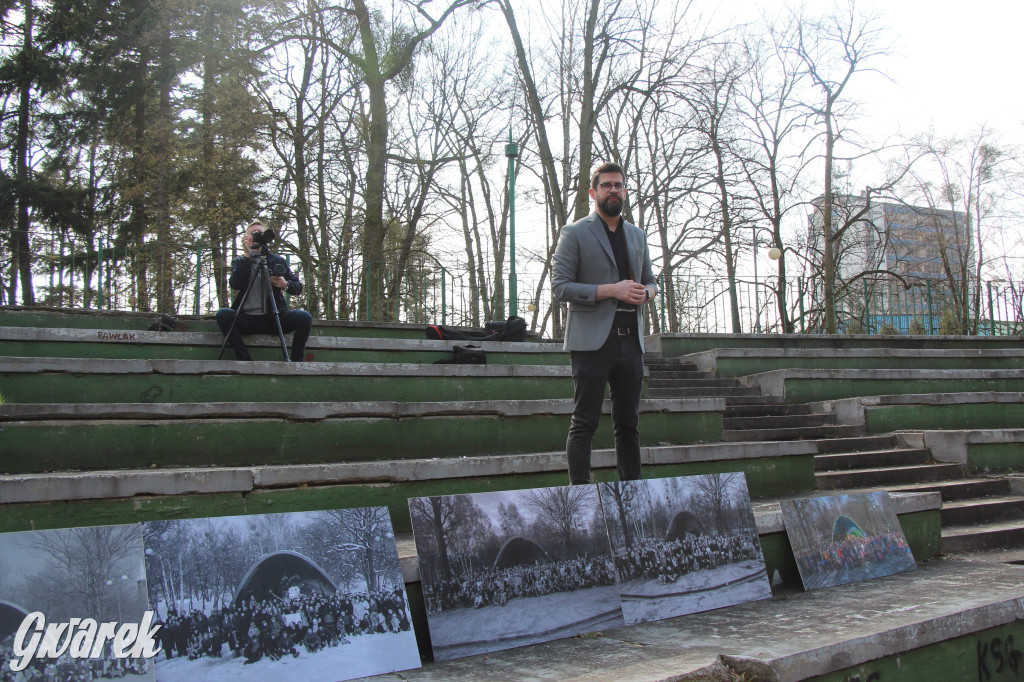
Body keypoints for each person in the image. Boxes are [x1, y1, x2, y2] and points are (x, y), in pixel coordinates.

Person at [552, 162, 657, 484]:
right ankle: (580, 498)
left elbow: (652, 281)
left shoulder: (637, 236)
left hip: (631, 342)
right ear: (593, 192)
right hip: (592, 343)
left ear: (625, 191)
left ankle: (633, 497)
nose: (613, 190)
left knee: (629, 425)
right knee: (584, 422)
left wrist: (647, 293)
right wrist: (612, 289)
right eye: (607, 185)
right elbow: (560, 287)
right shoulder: (575, 233)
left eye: (619, 185)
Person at [216, 221, 312, 362]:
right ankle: (245, 360)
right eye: (253, 233)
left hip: (274, 319)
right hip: (246, 318)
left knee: (304, 317)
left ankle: (297, 361)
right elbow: (235, 284)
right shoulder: (240, 261)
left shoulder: (276, 260)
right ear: (246, 237)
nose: (257, 236)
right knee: (223, 314)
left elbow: (298, 288)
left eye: (260, 233)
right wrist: (247, 255)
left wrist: (285, 284)